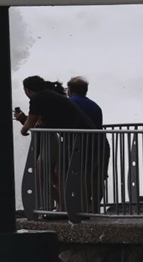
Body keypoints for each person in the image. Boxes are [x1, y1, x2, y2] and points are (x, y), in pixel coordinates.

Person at [14, 76, 96, 213]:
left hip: (77, 140)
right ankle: (68, 205)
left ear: (27, 89)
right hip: (82, 138)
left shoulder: (38, 98)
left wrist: (23, 129)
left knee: (49, 174)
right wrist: (25, 120)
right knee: (56, 174)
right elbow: (40, 124)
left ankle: (65, 205)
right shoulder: (49, 96)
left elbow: (32, 123)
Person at [66, 76, 109, 212]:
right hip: (100, 143)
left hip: (82, 145)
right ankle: (95, 207)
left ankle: (83, 207)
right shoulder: (94, 105)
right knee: (97, 177)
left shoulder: (69, 103)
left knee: (81, 176)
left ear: (71, 90)